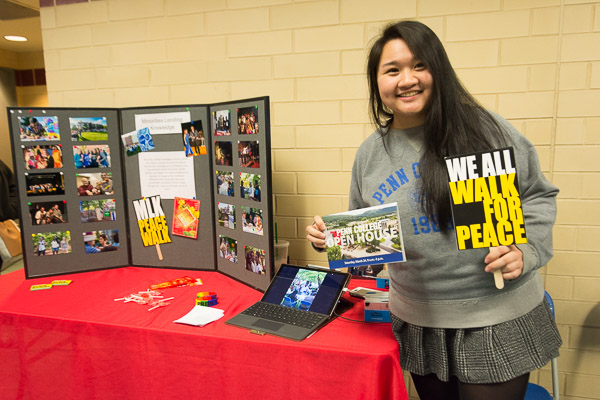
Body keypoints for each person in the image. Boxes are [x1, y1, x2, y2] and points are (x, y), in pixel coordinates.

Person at [305, 20, 561, 400]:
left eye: (419, 65)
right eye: (392, 70)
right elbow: (368, 252)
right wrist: (331, 240)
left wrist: (526, 250)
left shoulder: (486, 131)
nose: (406, 79)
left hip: (493, 315)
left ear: (438, 70)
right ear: (378, 83)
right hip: (420, 320)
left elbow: (539, 196)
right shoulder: (370, 154)